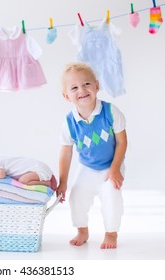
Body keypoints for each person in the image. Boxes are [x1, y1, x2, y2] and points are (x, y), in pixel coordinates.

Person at [57, 63, 127, 249]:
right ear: (66, 96)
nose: (82, 90)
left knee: (111, 196)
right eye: (74, 88)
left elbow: (122, 142)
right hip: (87, 166)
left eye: (86, 84)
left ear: (96, 86)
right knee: (76, 197)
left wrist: (115, 169)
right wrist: (63, 182)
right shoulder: (69, 122)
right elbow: (65, 152)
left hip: (111, 164)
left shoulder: (111, 112)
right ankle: (82, 230)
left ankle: (111, 233)